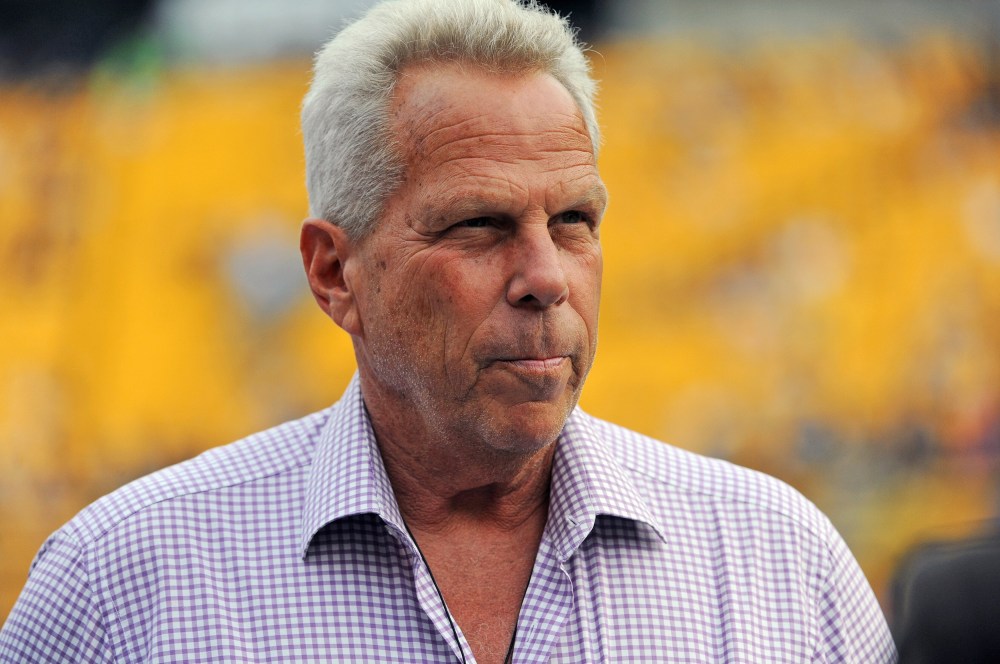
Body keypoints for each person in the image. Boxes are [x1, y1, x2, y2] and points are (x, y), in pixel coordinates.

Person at [0, 1, 897, 662]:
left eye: (577, 220)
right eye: (479, 226)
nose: (547, 277)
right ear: (332, 273)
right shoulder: (121, 585)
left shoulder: (781, 563)